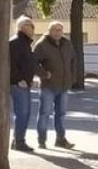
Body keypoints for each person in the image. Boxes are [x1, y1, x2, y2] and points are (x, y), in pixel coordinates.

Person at [33, 21, 77, 150]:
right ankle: (42, 140)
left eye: (60, 30)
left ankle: (61, 139)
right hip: (48, 85)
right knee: (45, 113)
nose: (57, 32)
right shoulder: (41, 45)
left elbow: (73, 61)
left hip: (64, 85)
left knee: (61, 113)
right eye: (55, 30)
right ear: (49, 31)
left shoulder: (67, 44)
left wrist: (73, 78)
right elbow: (33, 63)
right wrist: (44, 74)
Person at [9, 16, 38, 152]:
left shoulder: (26, 44)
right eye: (27, 25)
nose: (31, 27)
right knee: (22, 113)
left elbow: (28, 64)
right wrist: (18, 79)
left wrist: (30, 79)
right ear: (20, 27)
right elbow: (11, 64)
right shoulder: (15, 42)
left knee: (25, 113)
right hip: (18, 84)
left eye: (32, 25)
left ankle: (19, 140)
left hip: (25, 84)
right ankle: (19, 141)